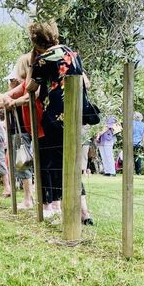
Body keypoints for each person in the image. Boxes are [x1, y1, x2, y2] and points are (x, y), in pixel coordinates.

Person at [25, 20, 93, 224]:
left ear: (36, 42)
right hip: (75, 110)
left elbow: (30, 87)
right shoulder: (70, 53)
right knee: (71, 160)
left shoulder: (43, 60)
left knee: (59, 163)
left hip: (55, 114)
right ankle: (84, 213)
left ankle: (69, 213)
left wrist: (32, 63)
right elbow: (85, 80)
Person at [1, 53, 37, 208]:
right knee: (22, 163)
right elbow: (5, 97)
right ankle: (29, 197)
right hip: (19, 128)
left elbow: (29, 99)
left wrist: (14, 102)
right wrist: (10, 99)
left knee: (23, 163)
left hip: (24, 128)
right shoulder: (22, 87)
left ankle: (29, 198)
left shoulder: (30, 85)